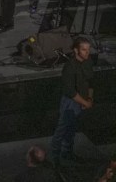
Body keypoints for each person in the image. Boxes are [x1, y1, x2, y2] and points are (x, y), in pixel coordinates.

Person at [49, 37, 94, 167]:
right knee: (62, 130)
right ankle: (54, 158)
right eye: (84, 49)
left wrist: (89, 99)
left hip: (82, 101)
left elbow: (91, 82)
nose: (87, 52)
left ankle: (67, 153)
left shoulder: (88, 62)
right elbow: (70, 91)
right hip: (70, 103)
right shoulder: (69, 67)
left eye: (88, 49)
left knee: (72, 129)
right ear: (76, 50)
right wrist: (85, 103)